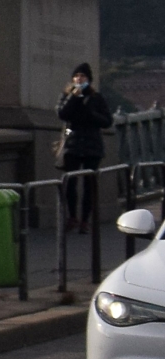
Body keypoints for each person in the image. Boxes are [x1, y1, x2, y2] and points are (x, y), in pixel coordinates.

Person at [59, 62, 115, 232]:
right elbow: (62, 113)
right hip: (73, 144)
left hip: (92, 145)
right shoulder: (67, 96)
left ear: (88, 79)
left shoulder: (96, 98)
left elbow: (107, 121)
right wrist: (73, 98)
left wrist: (91, 114)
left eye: (82, 76)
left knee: (89, 185)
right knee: (70, 182)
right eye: (76, 76)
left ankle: (85, 220)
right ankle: (72, 217)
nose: (79, 79)